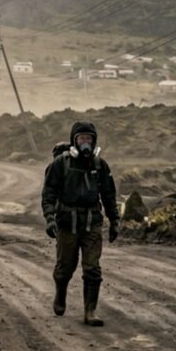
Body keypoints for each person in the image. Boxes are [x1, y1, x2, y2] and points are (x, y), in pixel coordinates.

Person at [41, 121, 119, 326]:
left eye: (89, 139)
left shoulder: (100, 165)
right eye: (82, 138)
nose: (86, 142)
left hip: (92, 222)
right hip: (67, 223)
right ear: (74, 141)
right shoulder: (61, 163)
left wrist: (115, 221)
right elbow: (48, 193)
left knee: (92, 268)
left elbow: (109, 195)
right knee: (65, 267)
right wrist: (50, 218)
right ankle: (60, 293)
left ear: (94, 141)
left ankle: (90, 312)